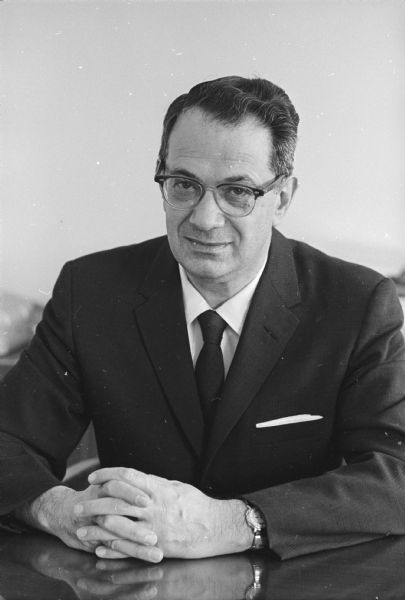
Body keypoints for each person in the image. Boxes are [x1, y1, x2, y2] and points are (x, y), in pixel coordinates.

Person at [1, 76, 405, 565]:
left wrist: (234, 523)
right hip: (129, 576)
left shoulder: (357, 303)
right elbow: (8, 441)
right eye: (185, 185)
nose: (205, 219)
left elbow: (395, 473)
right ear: (162, 178)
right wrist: (62, 511)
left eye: (237, 192)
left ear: (283, 196)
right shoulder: (91, 289)